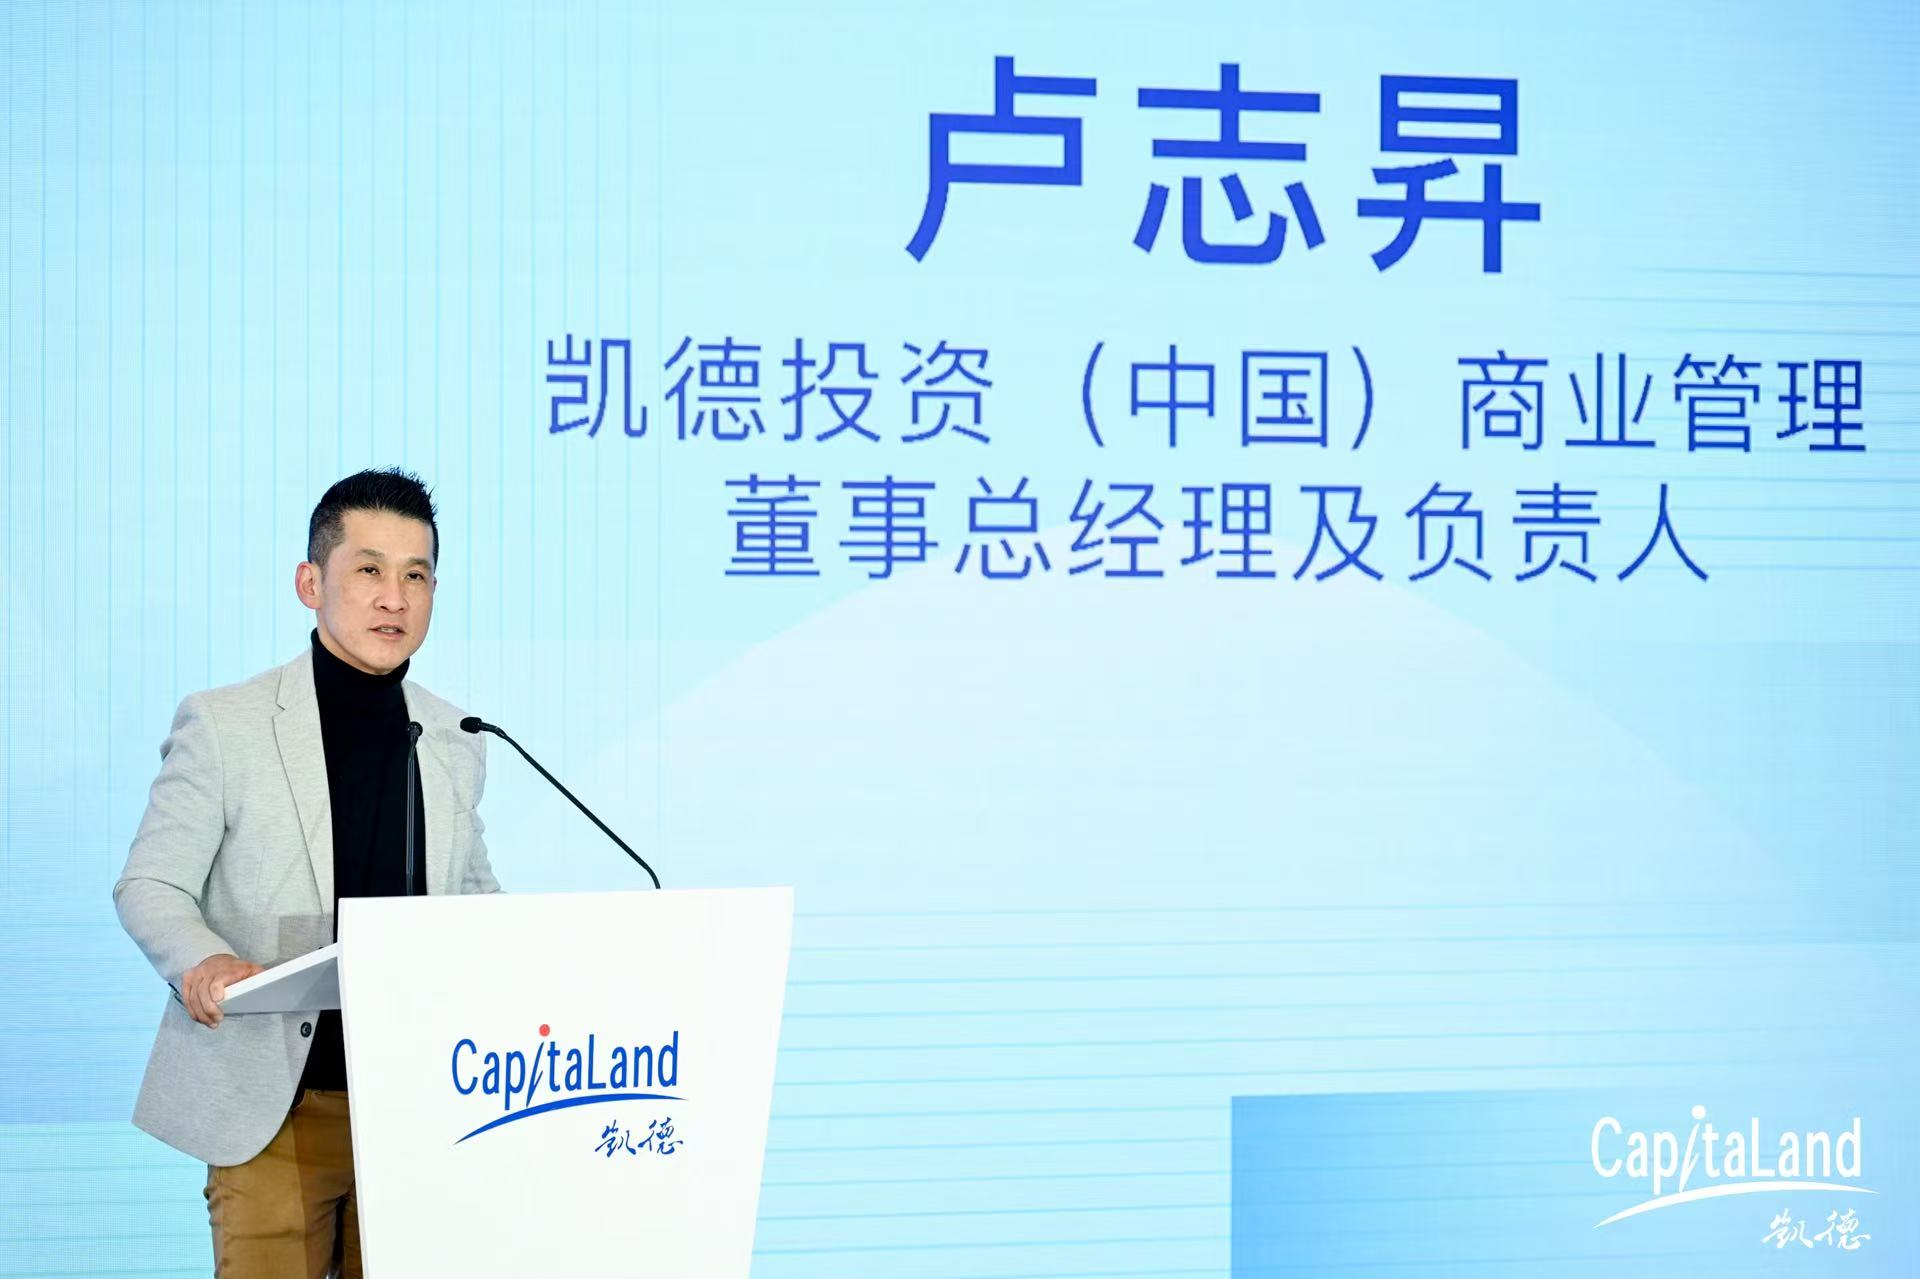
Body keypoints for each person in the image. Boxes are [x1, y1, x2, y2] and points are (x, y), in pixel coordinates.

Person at [114, 467, 500, 1279]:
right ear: (310, 582)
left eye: (416, 575)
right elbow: (151, 883)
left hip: (416, 1105)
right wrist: (203, 960)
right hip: (272, 1104)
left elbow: (470, 897)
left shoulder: (455, 736)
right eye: (369, 569)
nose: (394, 597)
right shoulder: (226, 722)